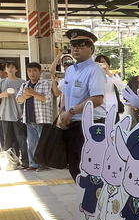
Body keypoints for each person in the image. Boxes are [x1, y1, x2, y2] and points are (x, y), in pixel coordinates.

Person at [53, 29, 106, 180]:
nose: (76, 49)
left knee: (91, 169)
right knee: (74, 167)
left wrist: (70, 112)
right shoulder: (70, 71)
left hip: (91, 126)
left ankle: (94, 195)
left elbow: (97, 99)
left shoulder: (95, 70)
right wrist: (62, 114)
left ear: (91, 49)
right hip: (72, 125)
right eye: (73, 45)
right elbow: (65, 94)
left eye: (81, 45)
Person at [16, 62, 53, 171]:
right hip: (29, 118)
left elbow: (47, 99)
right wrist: (25, 96)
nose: (31, 73)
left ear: (40, 71)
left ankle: (43, 164)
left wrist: (33, 93)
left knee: (43, 142)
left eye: (34, 70)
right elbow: (18, 100)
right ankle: (33, 164)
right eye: (29, 71)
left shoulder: (46, 83)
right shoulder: (25, 85)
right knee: (31, 143)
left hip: (42, 118)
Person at [0, 61, 28, 170]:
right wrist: (2, 94)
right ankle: (9, 162)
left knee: (21, 139)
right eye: (7, 67)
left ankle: (25, 161)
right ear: (5, 70)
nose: (10, 69)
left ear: (16, 69)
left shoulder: (22, 82)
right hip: (5, 114)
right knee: (7, 140)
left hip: (19, 114)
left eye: (12, 67)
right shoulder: (2, 82)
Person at [95, 54, 125, 123]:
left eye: (103, 62)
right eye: (99, 62)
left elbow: (121, 86)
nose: (102, 64)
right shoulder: (95, 76)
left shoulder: (114, 76)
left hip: (112, 107)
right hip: (99, 108)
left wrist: (108, 73)